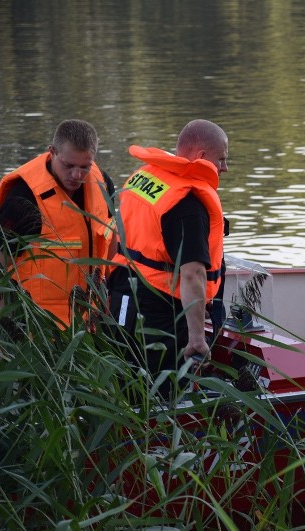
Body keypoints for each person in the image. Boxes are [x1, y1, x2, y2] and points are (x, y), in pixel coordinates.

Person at [107, 119, 229, 398]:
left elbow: (117, 233)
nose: (225, 168)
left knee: (126, 382)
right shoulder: (187, 203)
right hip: (158, 310)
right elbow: (192, 274)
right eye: (222, 159)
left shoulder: (146, 176)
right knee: (161, 393)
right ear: (201, 157)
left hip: (124, 293)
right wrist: (197, 338)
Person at [0, 119, 115, 327]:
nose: (76, 175)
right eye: (68, 165)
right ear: (52, 152)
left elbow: (111, 242)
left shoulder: (102, 184)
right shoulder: (24, 199)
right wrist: (2, 330)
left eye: (85, 167)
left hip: (89, 325)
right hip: (37, 329)